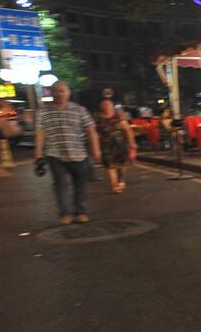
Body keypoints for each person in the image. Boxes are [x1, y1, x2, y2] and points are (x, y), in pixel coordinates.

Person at [33, 80, 101, 225]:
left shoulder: (80, 110)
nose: (60, 94)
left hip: (79, 153)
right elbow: (40, 132)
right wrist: (38, 152)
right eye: (56, 91)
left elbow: (91, 130)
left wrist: (96, 150)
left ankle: (81, 211)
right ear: (51, 93)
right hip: (55, 154)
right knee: (60, 184)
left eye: (63, 90)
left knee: (80, 184)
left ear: (69, 92)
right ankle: (65, 213)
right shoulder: (43, 111)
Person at [95, 98, 137, 193]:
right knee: (110, 166)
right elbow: (95, 133)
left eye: (108, 104)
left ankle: (121, 180)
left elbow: (128, 130)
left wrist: (132, 143)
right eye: (104, 105)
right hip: (106, 146)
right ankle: (114, 186)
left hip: (120, 145)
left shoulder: (119, 117)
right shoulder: (98, 118)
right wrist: (96, 147)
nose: (106, 107)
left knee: (122, 164)